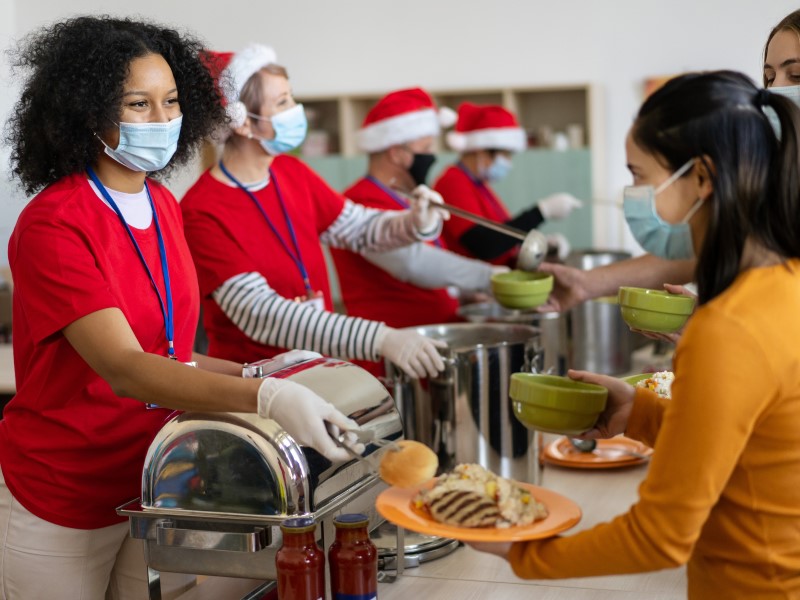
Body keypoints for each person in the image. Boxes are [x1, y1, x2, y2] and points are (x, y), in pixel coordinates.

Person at [0, 17, 365, 599]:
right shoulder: (55, 223)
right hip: (64, 490)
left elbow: (171, 355)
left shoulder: (163, 205)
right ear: (88, 112)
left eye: (172, 101)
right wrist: (265, 397)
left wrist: (260, 372)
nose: (164, 120)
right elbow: (125, 366)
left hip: (157, 477)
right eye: (138, 105)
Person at [471, 70, 800, 598]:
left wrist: (523, 549)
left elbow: (660, 538)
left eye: (639, 174)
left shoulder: (727, 327)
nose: (632, 195)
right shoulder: (786, 285)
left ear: (702, 178)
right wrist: (639, 414)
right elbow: (751, 453)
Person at [181, 46, 448, 380]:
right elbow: (262, 314)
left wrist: (413, 222)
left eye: (291, 98)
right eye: (281, 103)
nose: (296, 111)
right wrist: (380, 337)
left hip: (315, 373)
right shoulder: (201, 211)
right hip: (257, 389)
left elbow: (357, 227)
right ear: (243, 123)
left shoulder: (291, 172)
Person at [539, 8, 800, 314]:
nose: (776, 88)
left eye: (795, 74)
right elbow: (711, 247)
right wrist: (586, 283)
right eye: (769, 77)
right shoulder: (774, 169)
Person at [329, 88, 504, 355]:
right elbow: (414, 262)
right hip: (393, 351)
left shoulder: (408, 198)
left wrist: (458, 293)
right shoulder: (361, 200)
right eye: (425, 149)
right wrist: (487, 277)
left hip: (427, 339)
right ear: (397, 153)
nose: (432, 156)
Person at [433, 102, 582, 266]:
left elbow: (503, 238)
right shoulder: (452, 182)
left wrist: (536, 246)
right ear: (481, 151)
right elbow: (484, 245)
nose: (509, 162)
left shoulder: (478, 185)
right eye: (506, 155)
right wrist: (541, 211)